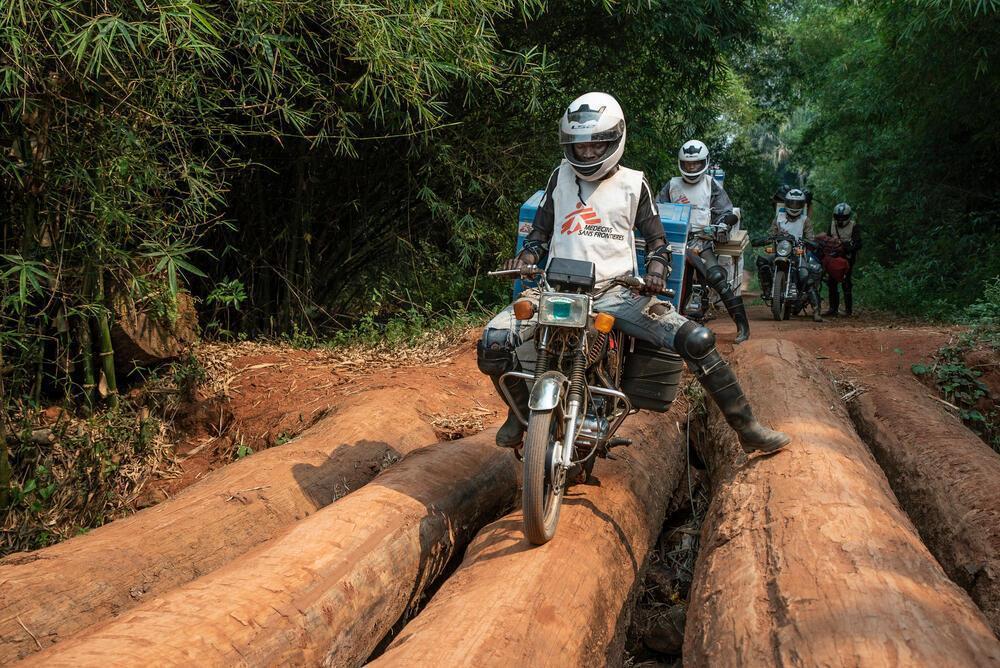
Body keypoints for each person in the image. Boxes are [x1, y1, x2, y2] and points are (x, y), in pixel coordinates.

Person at [477, 92, 789, 454]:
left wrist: (657, 270)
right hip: (554, 287)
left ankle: (748, 429)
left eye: (597, 145)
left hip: (617, 290)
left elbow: (658, 243)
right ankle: (519, 414)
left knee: (698, 340)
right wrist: (527, 255)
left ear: (614, 140)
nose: (588, 153)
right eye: (579, 147)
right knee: (494, 341)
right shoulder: (559, 177)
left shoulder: (633, 184)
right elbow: (540, 234)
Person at [657, 141, 750, 343]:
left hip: (702, 242)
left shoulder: (710, 184)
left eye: (696, 164)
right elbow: (658, 210)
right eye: (688, 164)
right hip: (674, 244)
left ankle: (742, 325)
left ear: (704, 163)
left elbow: (725, 211)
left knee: (717, 277)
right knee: (659, 277)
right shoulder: (672, 185)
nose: (691, 168)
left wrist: (723, 222)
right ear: (681, 163)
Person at [757, 188, 823, 322]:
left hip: (798, 254)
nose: (794, 207)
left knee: (806, 277)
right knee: (762, 261)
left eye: (797, 204)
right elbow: (771, 233)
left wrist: (808, 242)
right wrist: (767, 239)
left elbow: (811, 237)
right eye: (791, 203)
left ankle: (816, 310)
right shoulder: (779, 218)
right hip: (780, 251)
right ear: (786, 203)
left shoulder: (805, 220)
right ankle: (768, 289)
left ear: (802, 205)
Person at [823, 202, 861, 317]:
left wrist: (846, 247)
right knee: (832, 282)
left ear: (848, 216)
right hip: (834, 257)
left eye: (843, 217)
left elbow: (858, 244)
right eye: (838, 217)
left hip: (847, 257)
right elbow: (827, 239)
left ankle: (848, 310)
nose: (840, 219)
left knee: (846, 282)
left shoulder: (854, 226)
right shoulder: (832, 225)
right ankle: (833, 308)